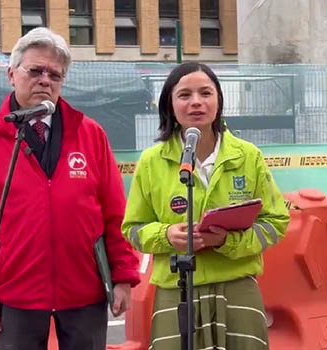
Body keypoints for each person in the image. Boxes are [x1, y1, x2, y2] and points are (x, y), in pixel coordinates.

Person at [0, 27, 140, 350]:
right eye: (35, 70)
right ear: (12, 75)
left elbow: (114, 215)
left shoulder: (90, 134)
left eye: (55, 74)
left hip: (84, 292)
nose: (45, 80)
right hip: (16, 294)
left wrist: (123, 276)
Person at [122, 62, 289, 350]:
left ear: (218, 100)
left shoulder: (248, 156)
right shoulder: (151, 162)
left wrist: (227, 240)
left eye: (205, 93)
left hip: (237, 287)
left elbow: (275, 223)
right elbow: (132, 229)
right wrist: (166, 236)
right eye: (184, 95)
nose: (196, 102)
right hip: (176, 289)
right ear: (170, 105)